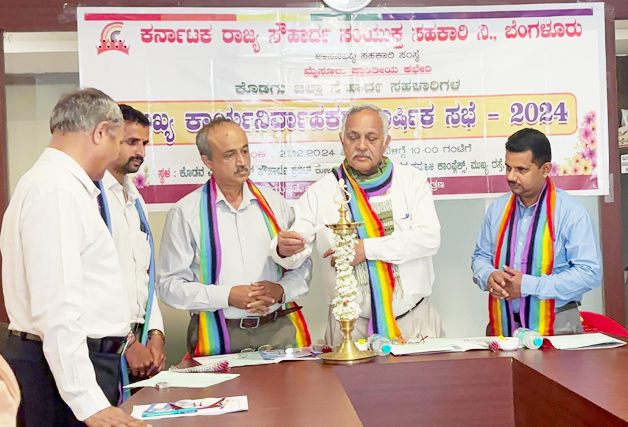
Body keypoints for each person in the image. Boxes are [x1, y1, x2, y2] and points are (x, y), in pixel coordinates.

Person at [0, 89, 147, 427]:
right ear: (100, 133)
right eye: (118, 141)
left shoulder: (58, 185)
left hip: (74, 366)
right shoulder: (56, 191)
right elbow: (58, 307)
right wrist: (86, 401)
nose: (115, 154)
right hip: (61, 375)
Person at [274, 104, 442, 345]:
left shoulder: (412, 181)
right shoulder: (321, 192)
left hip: (414, 321)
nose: (362, 146)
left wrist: (366, 249)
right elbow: (295, 251)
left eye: (371, 138)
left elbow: (429, 238)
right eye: (353, 137)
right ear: (342, 140)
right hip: (349, 329)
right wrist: (283, 249)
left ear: (386, 142)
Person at [157, 117, 311, 356]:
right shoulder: (185, 213)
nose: (242, 162)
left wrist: (281, 291)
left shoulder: (275, 204)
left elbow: (303, 265)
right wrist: (227, 296)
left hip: (278, 330)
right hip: (217, 333)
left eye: (245, 151)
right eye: (230, 155)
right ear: (207, 161)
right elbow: (169, 286)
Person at [471, 128, 602, 336]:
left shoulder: (571, 213)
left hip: (556, 326)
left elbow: (589, 273)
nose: (511, 176)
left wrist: (529, 285)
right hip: (503, 326)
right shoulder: (497, 209)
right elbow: (480, 256)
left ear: (545, 169)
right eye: (508, 168)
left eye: (521, 170)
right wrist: (488, 275)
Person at [99, 105, 165, 391]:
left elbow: (144, 276)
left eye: (144, 143)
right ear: (108, 139)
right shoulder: (93, 198)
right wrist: (127, 342)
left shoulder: (136, 201)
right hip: (107, 343)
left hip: (141, 343)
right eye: (132, 142)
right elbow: (94, 282)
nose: (140, 152)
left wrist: (156, 334)